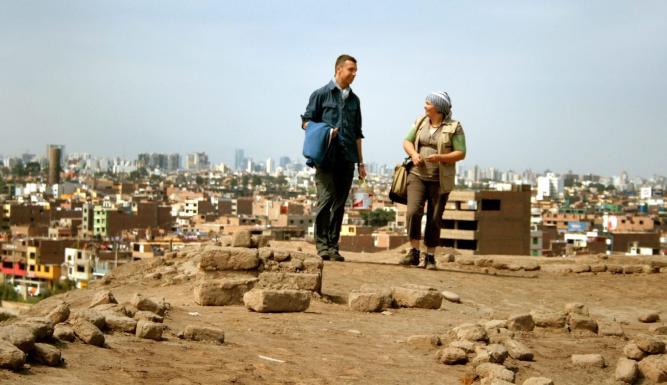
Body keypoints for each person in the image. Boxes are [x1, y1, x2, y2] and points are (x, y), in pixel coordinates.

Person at [301, 54, 366, 261]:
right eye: (351, 70)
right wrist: (325, 131)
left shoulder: (355, 100)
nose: (354, 74)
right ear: (339, 70)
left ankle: (332, 246)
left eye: (356, 70)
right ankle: (322, 246)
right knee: (326, 199)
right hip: (326, 157)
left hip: (347, 159)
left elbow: (357, 133)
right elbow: (306, 122)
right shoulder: (321, 94)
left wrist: (360, 162)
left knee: (339, 204)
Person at [399, 91, 466, 270]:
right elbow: (407, 141)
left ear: (438, 107)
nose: (424, 105)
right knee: (413, 212)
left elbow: (461, 152)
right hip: (417, 175)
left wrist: (441, 157)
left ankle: (429, 256)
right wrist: (413, 154)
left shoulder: (455, 127)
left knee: (434, 218)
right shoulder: (421, 121)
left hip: (440, 179)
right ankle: (413, 252)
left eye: (428, 103)